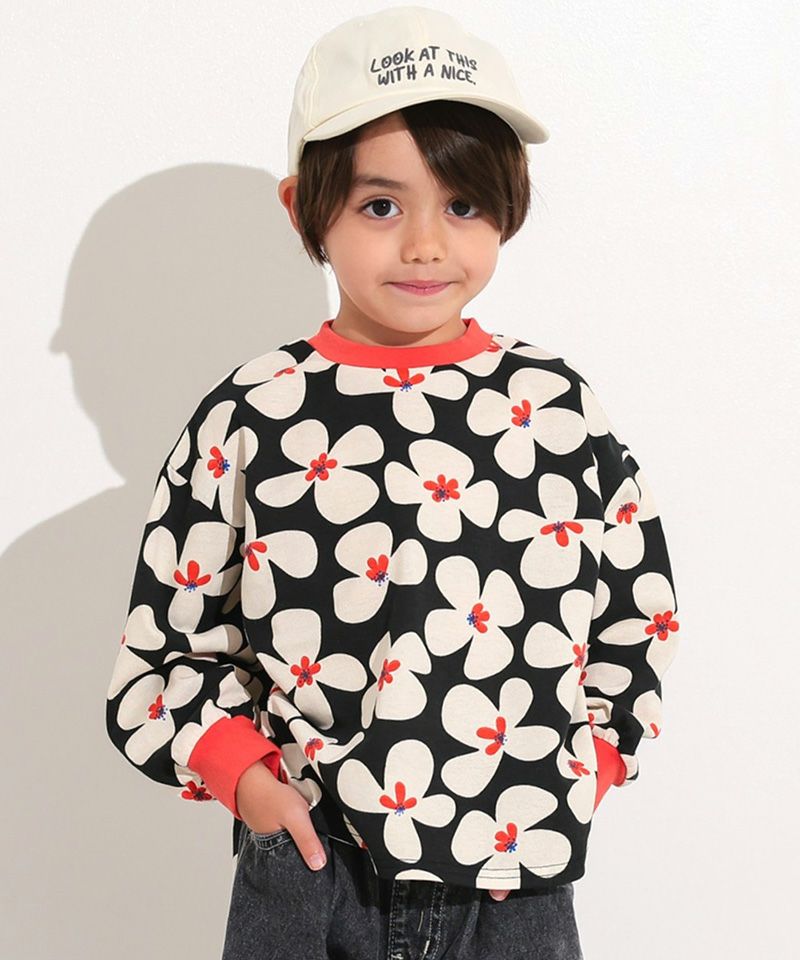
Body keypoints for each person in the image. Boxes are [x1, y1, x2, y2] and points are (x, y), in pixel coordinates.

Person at [105, 6, 681, 958]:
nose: (425, 244)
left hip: (517, 880)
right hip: (313, 866)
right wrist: (251, 782)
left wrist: (595, 759)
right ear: (305, 208)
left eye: (463, 205)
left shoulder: (553, 407)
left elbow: (636, 606)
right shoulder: (254, 414)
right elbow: (165, 650)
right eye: (381, 206)